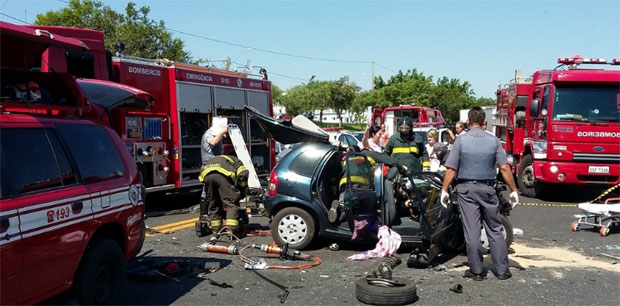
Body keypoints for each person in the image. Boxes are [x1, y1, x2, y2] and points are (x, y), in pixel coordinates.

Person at [440, 107, 519, 281]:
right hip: (488, 188)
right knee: (495, 229)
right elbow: (504, 167)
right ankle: (502, 270)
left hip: (466, 189)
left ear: (468, 123)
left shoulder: (460, 141)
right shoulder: (494, 141)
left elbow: (451, 169)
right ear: (484, 123)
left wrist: (444, 190)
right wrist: (514, 190)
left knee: (472, 230)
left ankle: (476, 270)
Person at [198, 154, 249, 236]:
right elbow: (243, 175)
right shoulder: (237, 161)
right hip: (221, 175)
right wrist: (242, 190)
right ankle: (232, 231)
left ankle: (216, 230)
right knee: (231, 203)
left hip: (206, 176)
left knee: (213, 203)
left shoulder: (218, 159)